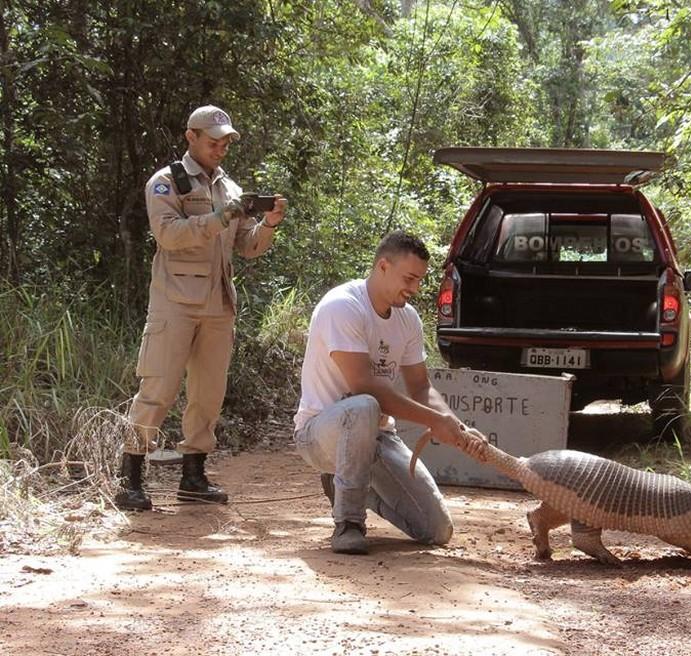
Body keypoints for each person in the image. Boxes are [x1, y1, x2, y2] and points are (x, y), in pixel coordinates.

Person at [115, 105, 287, 510]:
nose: (221, 148)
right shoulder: (166, 183)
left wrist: (269, 224)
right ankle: (130, 476)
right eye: (214, 141)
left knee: (208, 394)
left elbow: (247, 247)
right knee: (158, 388)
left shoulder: (230, 189)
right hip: (174, 302)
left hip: (218, 304)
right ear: (191, 137)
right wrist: (220, 216)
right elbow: (168, 235)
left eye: (226, 142)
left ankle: (193, 476)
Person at [293, 230, 486, 555]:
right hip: (319, 435)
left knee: (436, 529)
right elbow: (363, 385)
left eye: (419, 280)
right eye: (409, 278)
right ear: (383, 266)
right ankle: (348, 523)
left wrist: (458, 428)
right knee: (363, 405)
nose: (415, 289)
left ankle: (348, 484)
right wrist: (435, 422)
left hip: (378, 436)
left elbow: (420, 386)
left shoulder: (408, 319)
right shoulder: (342, 306)